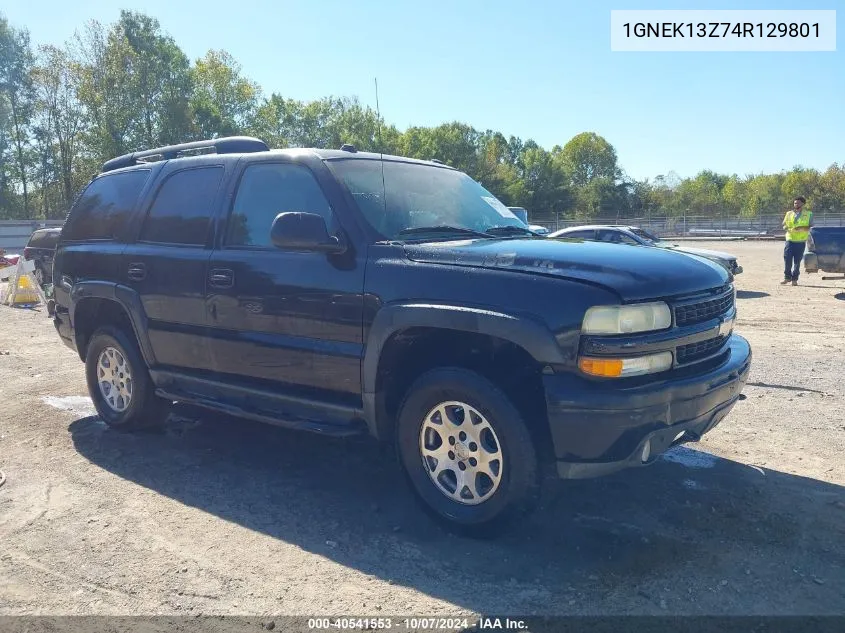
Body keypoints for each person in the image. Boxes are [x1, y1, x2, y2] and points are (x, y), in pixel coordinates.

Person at [781, 196, 813, 286]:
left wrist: (801, 228)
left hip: (800, 241)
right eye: (795, 203)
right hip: (790, 240)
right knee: (787, 259)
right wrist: (786, 228)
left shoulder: (809, 214)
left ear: (803, 204)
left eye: (798, 203)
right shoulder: (789, 213)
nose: (796, 204)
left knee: (797, 262)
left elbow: (811, 227)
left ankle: (794, 279)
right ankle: (787, 277)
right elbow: (783, 225)